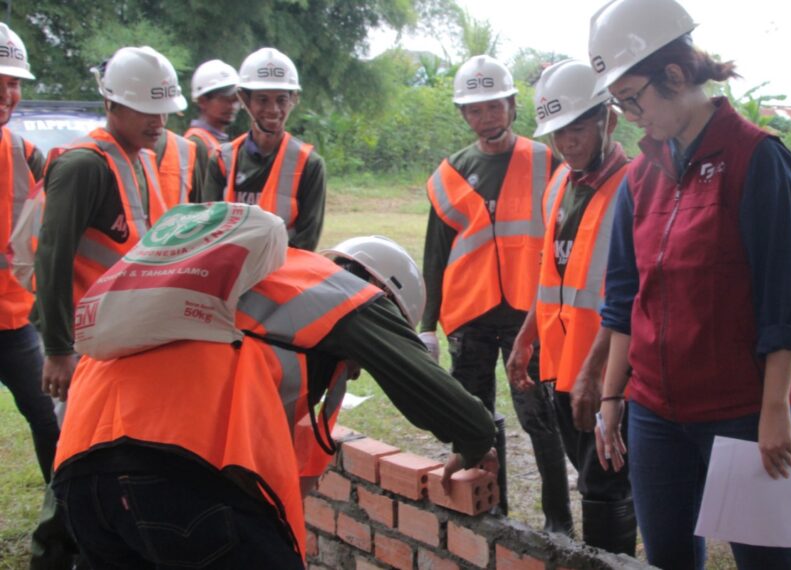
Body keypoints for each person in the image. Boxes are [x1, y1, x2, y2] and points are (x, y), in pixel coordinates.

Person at [51, 227, 497, 568]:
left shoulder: (265, 285)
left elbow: (291, 470)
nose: (359, 370)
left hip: (79, 476)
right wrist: (476, 441)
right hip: (178, 475)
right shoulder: (342, 292)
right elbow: (455, 409)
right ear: (383, 299)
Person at [589, 0, 791, 568]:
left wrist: (774, 410)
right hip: (654, 412)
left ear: (673, 74)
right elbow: (626, 299)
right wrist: (613, 398)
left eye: (632, 98)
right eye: (618, 103)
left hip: (741, 411)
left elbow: (786, 301)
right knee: (667, 558)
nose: (630, 115)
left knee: (769, 562)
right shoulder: (640, 177)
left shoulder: (757, 159)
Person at [32, 44, 184, 570]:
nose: (158, 121)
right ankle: (52, 556)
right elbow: (52, 259)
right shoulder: (84, 165)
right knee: (75, 463)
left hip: (118, 345)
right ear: (112, 104)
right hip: (84, 349)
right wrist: (57, 350)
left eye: (164, 110)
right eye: (146, 109)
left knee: (103, 461)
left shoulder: (137, 159)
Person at [420, 54, 572, 534]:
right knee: (474, 419)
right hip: (470, 313)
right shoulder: (451, 173)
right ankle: (492, 512)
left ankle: (559, 523)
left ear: (511, 105)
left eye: (494, 106)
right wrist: (427, 324)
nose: (486, 116)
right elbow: (435, 253)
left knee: (540, 419)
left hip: (528, 314)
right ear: (464, 114)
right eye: (475, 109)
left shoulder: (546, 161)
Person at [506, 59, 635, 554]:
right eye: (558, 132)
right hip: (561, 366)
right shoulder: (560, 183)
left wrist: (596, 372)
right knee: (588, 473)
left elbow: (632, 293)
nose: (567, 142)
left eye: (577, 128)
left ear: (609, 120)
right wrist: (526, 338)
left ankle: (611, 562)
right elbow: (551, 276)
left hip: (607, 373)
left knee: (605, 483)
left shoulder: (633, 187)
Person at [0, 22, 57, 486]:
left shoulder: (26, 154)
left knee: (50, 420)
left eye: (14, 83)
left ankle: (66, 520)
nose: (7, 95)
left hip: (14, 321)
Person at [202, 48, 325, 251]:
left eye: (281, 100)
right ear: (244, 99)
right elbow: (208, 230)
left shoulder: (309, 165)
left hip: (286, 269)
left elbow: (307, 241)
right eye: (262, 99)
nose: (273, 109)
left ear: (293, 99)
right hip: (230, 269)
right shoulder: (222, 161)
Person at [184, 59, 240, 200]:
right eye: (224, 99)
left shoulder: (217, 141)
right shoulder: (196, 144)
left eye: (235, 99)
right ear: (202, 101)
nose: (232, 106)